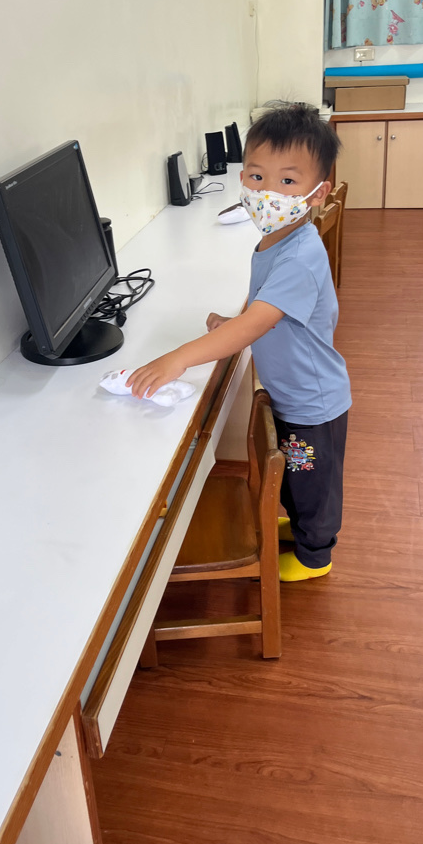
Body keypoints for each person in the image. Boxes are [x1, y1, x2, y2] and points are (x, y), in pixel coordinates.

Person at [128, 104, 351, 582]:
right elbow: (261, 308)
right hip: (291, 393)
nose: (267, 192)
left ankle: (316, 556)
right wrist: (236, 319)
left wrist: (178, 359)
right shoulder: (275, 240)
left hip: (313, 403)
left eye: (287, 181)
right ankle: (302, 527)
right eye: (256, 176)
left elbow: (257, 326)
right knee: (295, 474)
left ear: (318, 193)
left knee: (312, 484)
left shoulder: (300, 256)